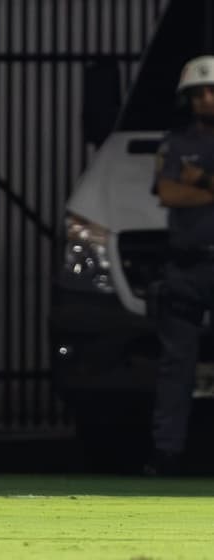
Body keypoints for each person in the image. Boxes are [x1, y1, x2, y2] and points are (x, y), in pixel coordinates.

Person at [144, 55, 214, 477]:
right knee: (175, 366)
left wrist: (202, 182)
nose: (206, 98)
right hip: (187, 269)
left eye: (212, 91)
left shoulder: (185, 155)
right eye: (199, 92)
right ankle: (165, 453)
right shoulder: (175, 143)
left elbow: (184, 187)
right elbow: (168, 193)